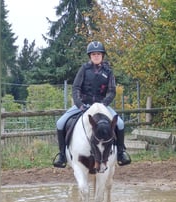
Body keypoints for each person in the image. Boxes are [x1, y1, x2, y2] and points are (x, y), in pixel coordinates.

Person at [53, 40, 131, 168]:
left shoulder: (108, 71)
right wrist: (80, 105)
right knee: (60, 123)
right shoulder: (84, 69)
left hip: (102, 106)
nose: (96, 56)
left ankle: (121, 153)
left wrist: (103, 105)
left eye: (98, 54)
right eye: (93, 54)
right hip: (84, 105)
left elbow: (111, 91)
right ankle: (61, 155)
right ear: (90, 56)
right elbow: (76, 88)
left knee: (120, 124)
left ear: (102, 56)